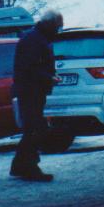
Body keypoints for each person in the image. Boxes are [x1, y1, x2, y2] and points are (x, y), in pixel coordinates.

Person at [10, 11, 62, 182]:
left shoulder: (37, 38)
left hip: (33, 90)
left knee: (33, 128)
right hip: (30, 91)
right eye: (57, 26)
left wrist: (49, 77)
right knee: (36, 128)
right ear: (50, 24)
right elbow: (29, 68)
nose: (58, 30)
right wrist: (49, 77)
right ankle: (29, 167)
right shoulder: (35, 40)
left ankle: (20, 166)